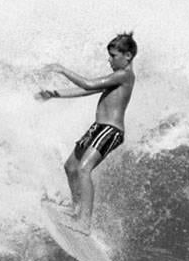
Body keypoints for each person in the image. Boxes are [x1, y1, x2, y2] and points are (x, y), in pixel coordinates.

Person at [36, 32, 137, 233]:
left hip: (110, 130)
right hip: (97, 128)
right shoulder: (115, 77)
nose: (110, 60)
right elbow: (86, 91)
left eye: (114, 56)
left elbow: (88, 84)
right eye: (109, 56)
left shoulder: (125, 75)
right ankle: (77, 208)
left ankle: (84, 223)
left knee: (83, 169)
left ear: (128, 56)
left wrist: (61, 69)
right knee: (70, 166)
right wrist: (55, 95)